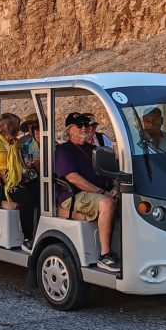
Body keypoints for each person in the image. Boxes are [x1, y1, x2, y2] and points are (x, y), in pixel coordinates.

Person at [54, 112, 121, 273]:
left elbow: (111, 173)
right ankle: (105, 255)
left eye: (86, 124)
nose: (84, 128)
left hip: (99, 193)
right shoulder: (64, 150)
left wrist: (115, 188)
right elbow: (73, 178)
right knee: (107, 203)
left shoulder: (95, 149)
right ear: (69, 130)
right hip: (73, 195)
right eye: (79, 125)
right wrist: (103, 192)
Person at [0, 113, 40, 253]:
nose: (12, 137)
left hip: (15, 180)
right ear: (4, 131)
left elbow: (19, 162)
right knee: (26, 197)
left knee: (40, 190)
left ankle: (40, 231)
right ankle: (27, 238)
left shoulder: (13, 143)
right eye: (11, 133)